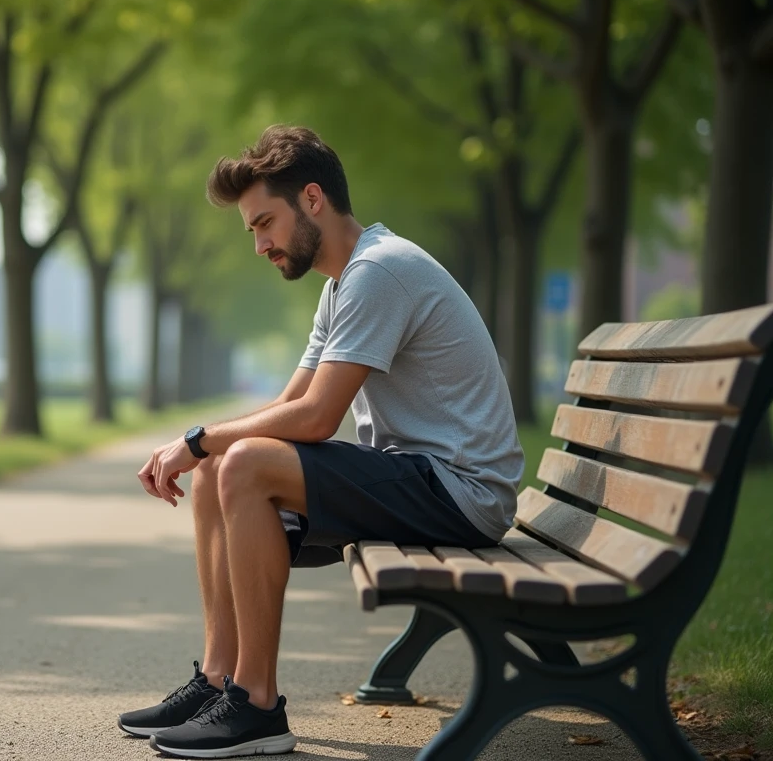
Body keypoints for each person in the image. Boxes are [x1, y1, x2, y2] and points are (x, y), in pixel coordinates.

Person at [118, 125, 524, 759]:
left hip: (461, 493)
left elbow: (315, 420)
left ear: (312, 199)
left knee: (241, 461)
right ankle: (221, 680)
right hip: (422, 479)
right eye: (252, 230)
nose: (259, 244)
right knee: (225, 462)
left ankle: (256, 706)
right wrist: (204, 448)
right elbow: (288, 405)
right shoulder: (341, 284)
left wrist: (199, 440)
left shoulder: (380, 273)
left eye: (264, 224)